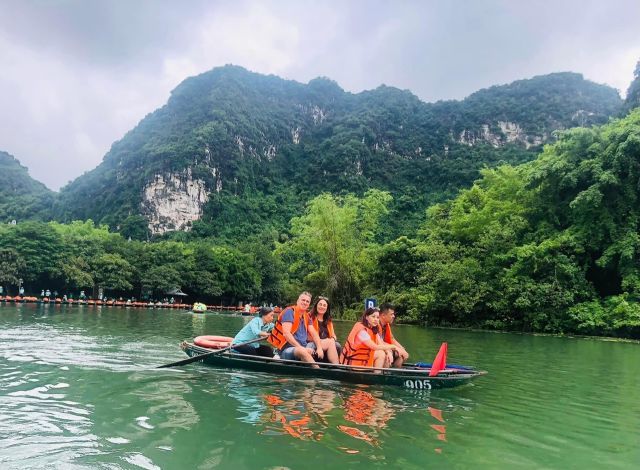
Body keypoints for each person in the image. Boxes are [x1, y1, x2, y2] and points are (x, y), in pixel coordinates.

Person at [268, 291, 323, 366]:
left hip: (304, 347)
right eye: (303, 300)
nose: (305, 302)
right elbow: (286, 334)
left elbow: (314, 334)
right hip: (287, 350)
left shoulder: (306, 316)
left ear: (309, 304)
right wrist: (302, 348)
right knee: (302, 351)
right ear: (298, 301)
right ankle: (318, 371)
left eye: (307, 301)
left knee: (330, 342)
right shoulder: (289, 312)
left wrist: (319, 348)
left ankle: (338, 367)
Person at [340, 307, 397, 372]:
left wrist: (388, 352)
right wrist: (392, 346)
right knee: (381, 353)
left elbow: (380, 343)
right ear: (366, 317)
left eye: (377, 317)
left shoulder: (373, 329)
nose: (376, 319)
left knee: (385, 354)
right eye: (373, 317)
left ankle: (383, 374)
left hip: (364, 359)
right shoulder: (361, 331)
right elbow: (375, 347)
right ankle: (377, 375)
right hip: (354, 363)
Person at [307, 296, 340, 363]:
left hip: (327, 343)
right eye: (320, 304)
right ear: (316, 306)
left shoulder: (328, 320)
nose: (322, 307)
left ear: (327, 308)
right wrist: (324, 341)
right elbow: (307, 336)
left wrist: (332, 339)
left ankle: (333, 364)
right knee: (330, 342)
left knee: (337, 345)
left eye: (324, 305)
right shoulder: (309, 317)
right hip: (312, 343)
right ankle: (336, 365)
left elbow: (334, 335)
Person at [378, 303, 409, 368]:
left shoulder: (386, 325)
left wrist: (402, 349)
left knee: (401, 354)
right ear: (383, 315)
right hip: (377, 349)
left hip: (384, 347)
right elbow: (379, 342)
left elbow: (392, 339)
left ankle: (396, 372)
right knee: (387, 355)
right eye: (391, 314)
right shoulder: (375, 325)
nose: (394, 316)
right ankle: (385, 375)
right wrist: (395, 348)